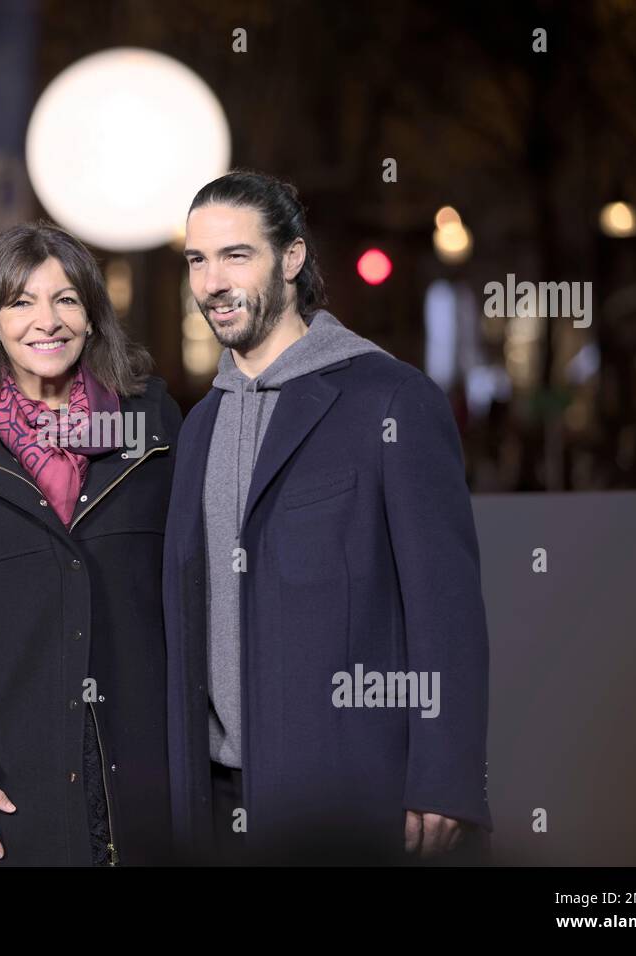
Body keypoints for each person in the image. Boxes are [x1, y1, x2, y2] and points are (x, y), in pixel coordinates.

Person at [164, 170, 492, 865]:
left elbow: (447, 608)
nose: (213, 281)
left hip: (346, 794)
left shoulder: (390, 399)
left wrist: (446, 779)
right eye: (197, 259)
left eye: (236, 255)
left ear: (291, 259)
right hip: (217, 800)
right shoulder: (199, 426)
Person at [0, 222, 180, 866]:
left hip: (136, 773)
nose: (47, 321)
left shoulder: (151, 424)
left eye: (67, 299)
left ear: (94, 316)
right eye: (20, 302)